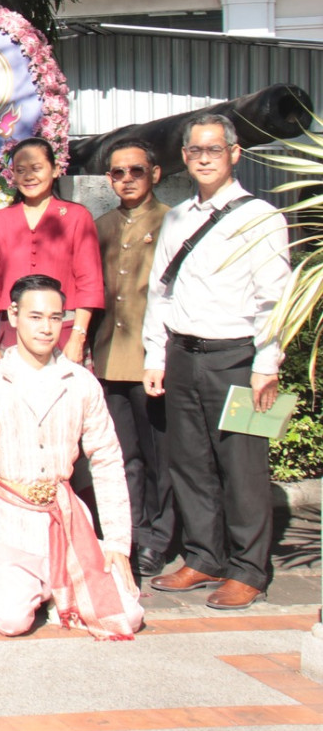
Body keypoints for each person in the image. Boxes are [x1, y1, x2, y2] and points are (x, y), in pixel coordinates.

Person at [143, 114, 292, 610]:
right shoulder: (178, 216)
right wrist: (155, 354)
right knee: (189, 463)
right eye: (194, 150)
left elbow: (276, 301)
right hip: (183, 354)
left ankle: (249, 569)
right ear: (184, 157)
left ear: (234, 153)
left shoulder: (262, 218)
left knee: (242, 467)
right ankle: (204, 557)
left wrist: (267, 363)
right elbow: (160, 292)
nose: (203, 158)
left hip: (237, 358)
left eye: (213, 149)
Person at [0, 275, 143, 639]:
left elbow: (106, 460)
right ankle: (19, 591)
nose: (46, 328)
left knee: (125, 617)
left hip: (65, 519)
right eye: (35, 317)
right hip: (6, 521)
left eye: (55, 318)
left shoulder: (80, 381)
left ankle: (58, 590)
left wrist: (119, 543)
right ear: (13, 316)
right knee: (10, 621)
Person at [91, 138, 174, 580]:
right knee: (123, 456)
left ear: (155, 174)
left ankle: (159, 538)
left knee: (159, 455)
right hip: (108, 358)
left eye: (135, 171)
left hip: (152, 361)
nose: (126, 179)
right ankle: (134, 532)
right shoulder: (101, 225)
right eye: (118, 173)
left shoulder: (171, 222)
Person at [0, 137, 103, 359]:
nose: (29, 176)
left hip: (62, 328)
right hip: (11, 329)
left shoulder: (76, 216)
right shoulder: (0, 220)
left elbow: (89, 282)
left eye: (36, 168)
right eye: (20, 170)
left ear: (54, 170)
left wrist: (77, 337)